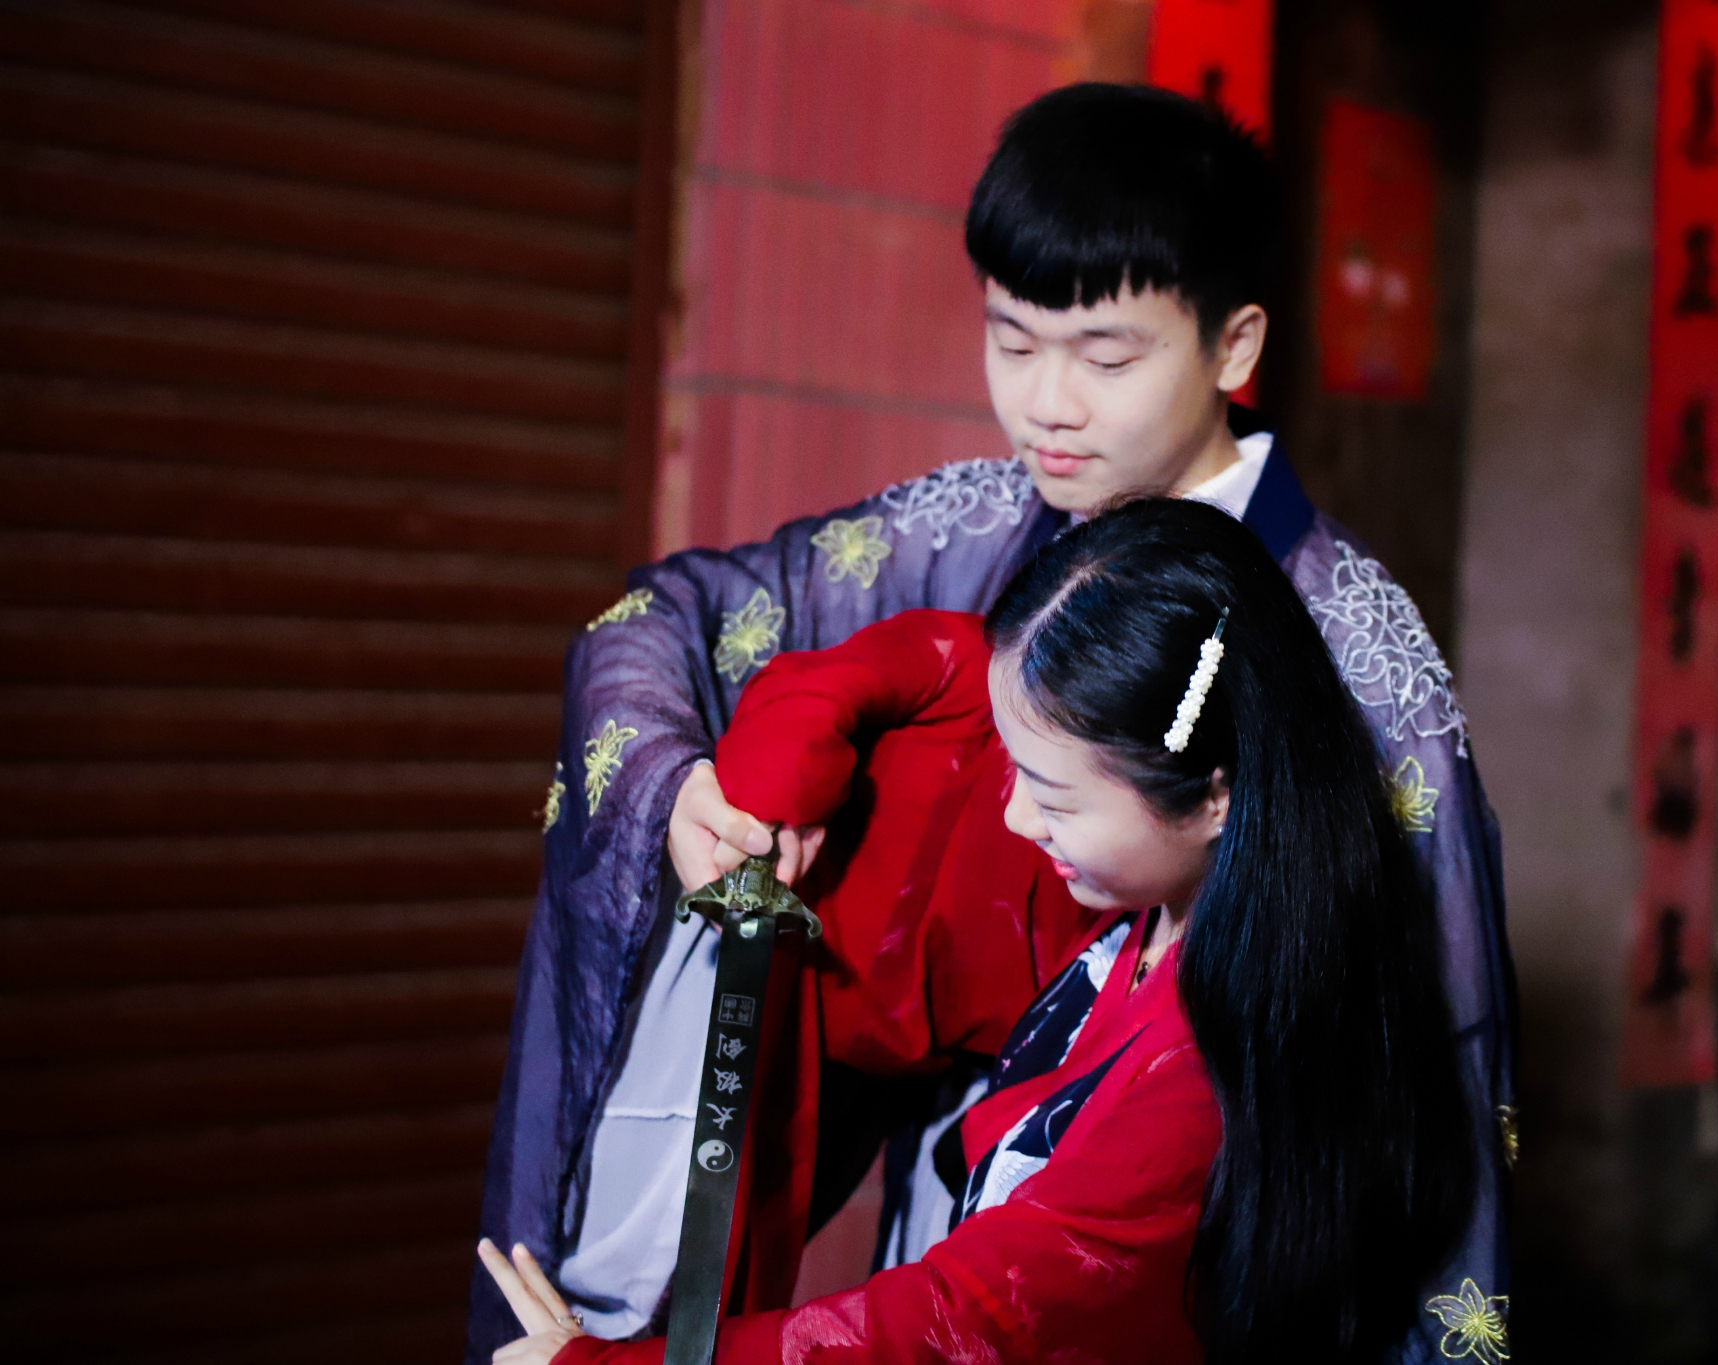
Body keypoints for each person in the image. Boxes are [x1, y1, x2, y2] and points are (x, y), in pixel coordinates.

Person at [469, 82, 1517, 1362]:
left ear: (1232, 346)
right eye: (1012, 343)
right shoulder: (973, 524)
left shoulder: (1356, 652)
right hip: (972, 1181)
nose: (1046, 406)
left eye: (1106, 358)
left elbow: (1441, 1065)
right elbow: (666, 617)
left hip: (1178, 1255)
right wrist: (677, 787)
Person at [480, 497, 1486, 1365]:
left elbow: (959, 1320)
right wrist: (781, 754)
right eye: (1014, 772)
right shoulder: (1178, 891)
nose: (1016, 818)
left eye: (1053, 796)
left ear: (1212, 795)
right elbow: (953, 670)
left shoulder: (1202, 1078)